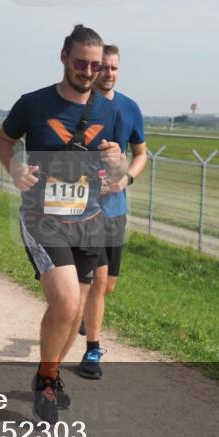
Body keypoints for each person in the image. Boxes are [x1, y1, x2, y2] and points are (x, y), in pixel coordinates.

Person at [0, 25, 126, 423]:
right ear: (64, 57)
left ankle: (47, 373)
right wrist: (14, 168)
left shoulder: (109, 110)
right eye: (81, 62)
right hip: (42, 219)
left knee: (77, 310)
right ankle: (49, 379)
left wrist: (116, 159)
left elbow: (119, 165)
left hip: (89, 220)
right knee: (66, 302)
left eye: (95, 64)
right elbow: (3, 140)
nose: (88, 70)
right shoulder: (33, 104)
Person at [77, 44, 147, 380]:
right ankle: (93, 349)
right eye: (103, 67)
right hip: (86, 209)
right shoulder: (79, 106)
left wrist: (127, 178)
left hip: (116, 208)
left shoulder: (130, 107)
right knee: (97, 278)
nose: (108, 74)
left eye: (114, 68)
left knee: (107, 286)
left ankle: (84, 315)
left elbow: (142, 153)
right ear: (93, 69)